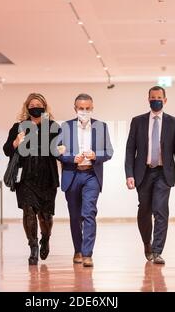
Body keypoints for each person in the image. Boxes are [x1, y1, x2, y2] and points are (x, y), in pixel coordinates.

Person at [125, 86, 175, 264]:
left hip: (163, 172)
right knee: (144, 211)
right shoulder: (137, 121)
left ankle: (158, 251)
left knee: (161, 210)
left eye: (159, 97)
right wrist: (129, 174)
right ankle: (147, 244)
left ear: (165, 100)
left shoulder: (173, 122)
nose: (156, 100)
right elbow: (130, 150)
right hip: (142, 172)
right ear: (148, 99)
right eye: (153, 97)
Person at [3, 93, 60, 265]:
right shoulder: (18, 127)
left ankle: (46, 237)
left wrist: (60, 149)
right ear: (27, 107)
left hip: (47, 177)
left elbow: (57, 150)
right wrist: (15, 143)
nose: (35, 106)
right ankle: (33, 247)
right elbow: (7, 149)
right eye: (32, 104)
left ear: (44, 106)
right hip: (26, 176)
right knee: (28, 211)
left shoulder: (53, 126)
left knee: (45, 215)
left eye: (39, 104)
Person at [58, 93, 113, 267]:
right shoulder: (65, 127)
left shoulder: (101, 127)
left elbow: (109, 152)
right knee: (75, 216)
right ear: (75, 109)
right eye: (81, 108)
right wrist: (71, 158)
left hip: (91, 175)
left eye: (87, 108)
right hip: (72, 174)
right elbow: (55, 151)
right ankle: (78, 250)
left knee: (89, 213)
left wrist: (96, 155)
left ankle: (88, 253)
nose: (84, 111)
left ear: (92, 108)